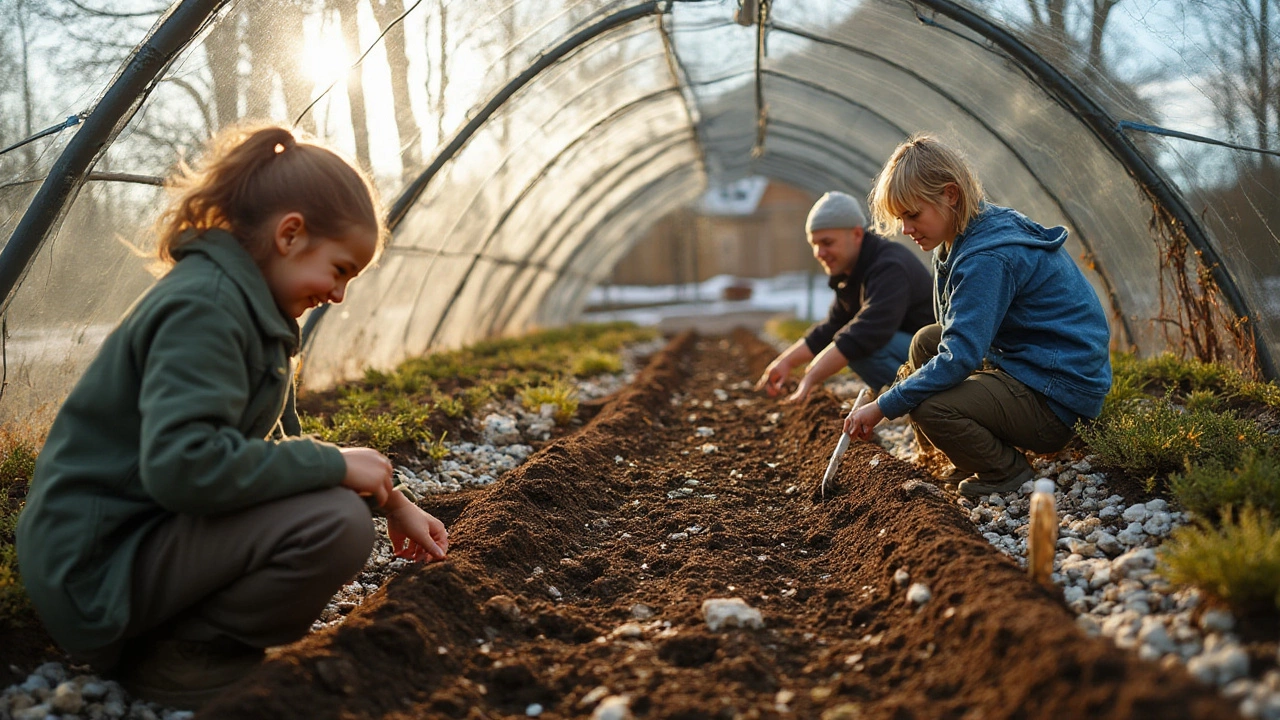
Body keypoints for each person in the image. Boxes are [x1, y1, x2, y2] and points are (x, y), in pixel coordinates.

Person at [16, 124, 449, 708]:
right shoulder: (206, 308)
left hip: (140, 541)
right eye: (341, 270)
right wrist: (337, 466)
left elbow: (279, 451)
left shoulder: (254, 313)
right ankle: (182, 662)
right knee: (334, 524)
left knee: (335, 506)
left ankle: (177, 640)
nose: (339, 296)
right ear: (290, 234)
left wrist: (394, 501)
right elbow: (185, 467)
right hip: (97, 570)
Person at [843, 133, 1112, 498]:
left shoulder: (987, 256)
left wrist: (883, 406)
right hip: (1031, 368)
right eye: (900, 218)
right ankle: (967, 456)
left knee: (930, 408)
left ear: (950, 195)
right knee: (926, 340)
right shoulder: (962, 233)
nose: (906, 230)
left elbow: (960, 358)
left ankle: (1007, 472)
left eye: (913, 215)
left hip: (1056, 400)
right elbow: (952, 336)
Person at [756, 191, 933, 401]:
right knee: (849, 341)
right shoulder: (851, 271)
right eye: (815, 244)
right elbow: (832, 326)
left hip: (934, 356)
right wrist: (786, 362)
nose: (820, 253)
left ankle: (918, 399)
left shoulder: (889, 266)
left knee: (862, 348)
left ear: (857, 234)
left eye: (827, 242)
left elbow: (867, 332)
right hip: (910, 352)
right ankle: (896, 396)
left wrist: (811, 377)